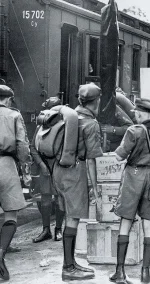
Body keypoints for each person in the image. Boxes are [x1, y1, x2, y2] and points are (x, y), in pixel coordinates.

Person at [111, 98, 150, 283]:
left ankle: (120, 272)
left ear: (139, 113)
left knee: (126, 220)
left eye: (136, 112)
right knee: (149, 222)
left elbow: (119, 156)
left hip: (133, 177)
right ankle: (145, 272)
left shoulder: (134, 131)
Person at [52, 84, 103, 281]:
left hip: (59, 171)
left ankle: (71, 263)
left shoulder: (69, 116)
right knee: (73, 219)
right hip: (74, 173)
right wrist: (96, 189)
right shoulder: (90, 124)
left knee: (68, 217)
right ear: (96, 101)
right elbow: (91, 159)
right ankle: (68, 268)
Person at [0, 85, 31, 280]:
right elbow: (22, 145)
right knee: (11, 215)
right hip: (6, 165)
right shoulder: (13, 115)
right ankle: (1, 253)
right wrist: (26, 171)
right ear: (9, 99)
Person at [31, 97, 65, 243]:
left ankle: (58, 229)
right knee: (45, 199)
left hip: (59, 165)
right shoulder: (41, 127)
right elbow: (33, 147)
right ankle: (46, 230)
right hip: (45, 164)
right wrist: (41, 164)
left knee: (59, 199)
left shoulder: (65, 126)